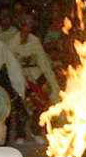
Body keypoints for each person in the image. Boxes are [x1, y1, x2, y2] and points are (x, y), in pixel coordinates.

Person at [6, 16, 61, 144]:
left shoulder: (34, 40)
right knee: (21, 105)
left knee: (40, 104)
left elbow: (42, 59)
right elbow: (12, 63)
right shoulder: (12, 43)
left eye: (30, 25)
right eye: (26, 25)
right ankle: (20, 134)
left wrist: (48, 76)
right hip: (20, 77)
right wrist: (22, 77)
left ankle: (36, 131)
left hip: (36, 74)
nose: (28, 28)